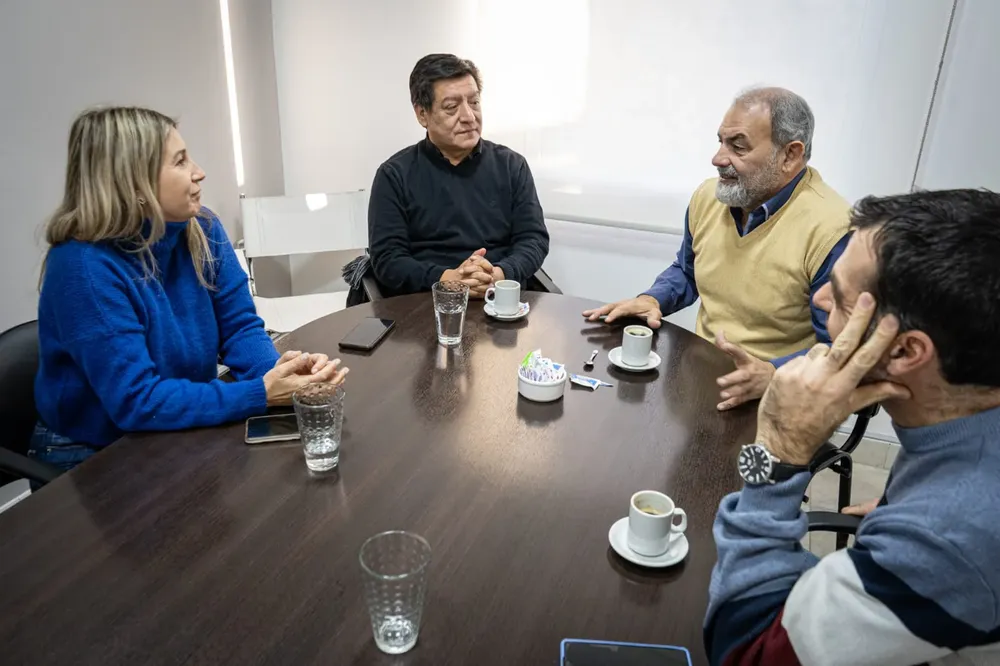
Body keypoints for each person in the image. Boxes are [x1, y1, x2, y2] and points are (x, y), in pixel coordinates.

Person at [704, 189, 1000, 665]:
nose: (818, 299)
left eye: (840, 299)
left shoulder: (948, 532)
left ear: (904, 351)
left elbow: (746, 651)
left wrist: (779, 452)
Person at [31, 107, 348, 471]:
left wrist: (280, 374)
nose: (199, 172)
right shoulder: (82, 267)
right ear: (134, 184)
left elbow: (239, 328)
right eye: (180, 162)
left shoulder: (202, 227)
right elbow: (137, 402)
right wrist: (261, 392)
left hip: (171, 422)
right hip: (92, 450)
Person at [583, 87, 851, 410]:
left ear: (790, 155)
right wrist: (652, 299)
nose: (718, 158)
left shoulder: (832, 229)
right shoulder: (710, 197)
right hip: (701, 381)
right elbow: (688, 271)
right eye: (721, 141)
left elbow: (840, 348)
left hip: (779, 400)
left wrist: (773, 375)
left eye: (738, 146)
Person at [367, 53, 549, 298]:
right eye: (452, 107)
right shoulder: (394, 175)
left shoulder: (511, 165)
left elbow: (533, 239)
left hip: (499, 297)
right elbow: (388, 259)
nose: (469, 117)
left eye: (474, 102)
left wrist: (499, 274)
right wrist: (448, 279)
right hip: (423, 302)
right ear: (422, 114)